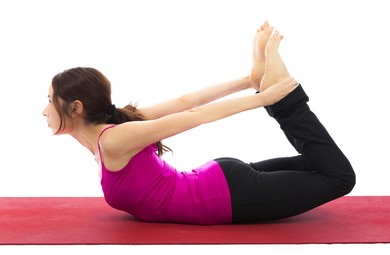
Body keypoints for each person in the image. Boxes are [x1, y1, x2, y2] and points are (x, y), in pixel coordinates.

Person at [42, 22, 355, 225]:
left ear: (76, 108)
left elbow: (192, 113)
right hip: (222, 182)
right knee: (321, 164)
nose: (44, 111)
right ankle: (269, 85)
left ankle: (284, 99)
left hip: (228, 196)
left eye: (49, 100)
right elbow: (185, 102)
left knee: (339, 177)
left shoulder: (113, 139)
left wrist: (263, 96)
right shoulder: (116, 127)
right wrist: (249, 81)